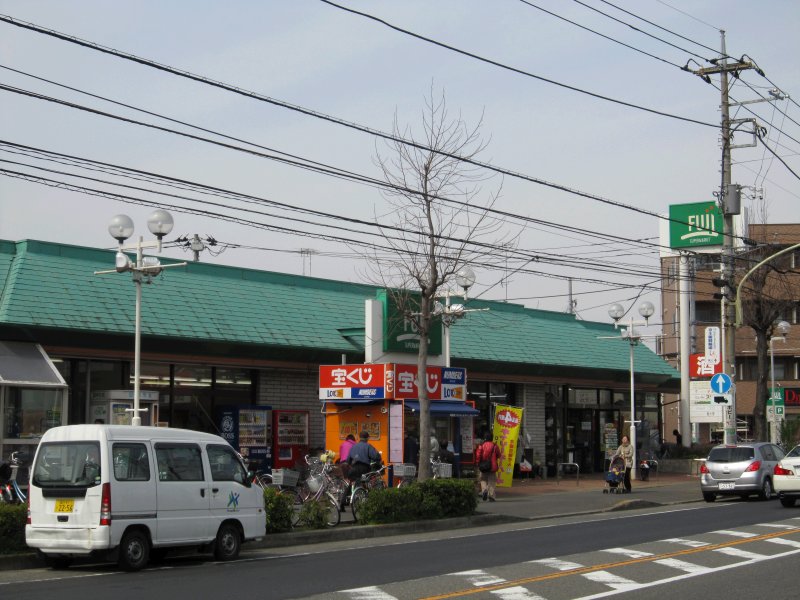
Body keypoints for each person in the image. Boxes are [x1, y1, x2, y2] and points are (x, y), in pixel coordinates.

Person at [475, 432, 501, 502]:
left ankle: (484, 491)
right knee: (492, 481)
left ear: (485, 438)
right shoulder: (495, 446)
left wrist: (478, 463)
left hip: (483, 466)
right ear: (492, 438)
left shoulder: (481, 445)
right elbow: (499, 455)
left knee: (483, 479)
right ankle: (491, 495)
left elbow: (478, 455)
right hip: (492, 466)